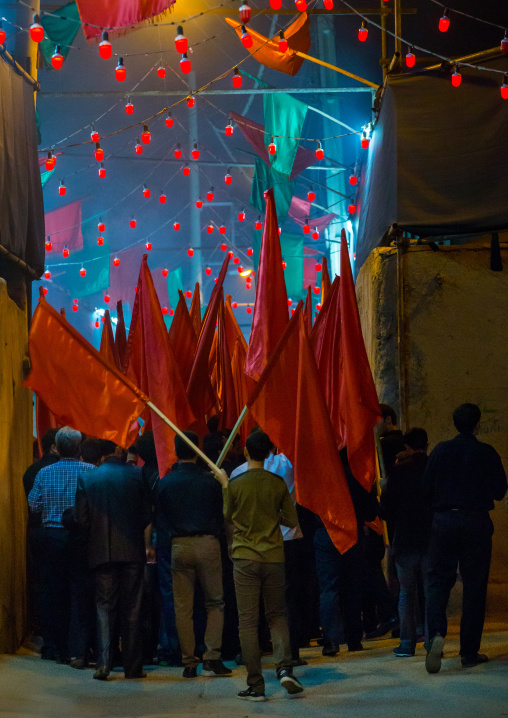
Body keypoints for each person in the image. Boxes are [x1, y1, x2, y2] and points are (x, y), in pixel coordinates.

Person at [217, 430, 304, 701]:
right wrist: (270, 512)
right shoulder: (277, 483)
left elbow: (227, 515)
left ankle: (256, 684)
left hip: (244, 557)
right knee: (277, 615)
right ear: (269, 453)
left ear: (245, 451)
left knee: (248, 622)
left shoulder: (236, 482)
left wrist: (224, 484)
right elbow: (291, 520)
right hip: (274, 556)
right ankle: (285, 668)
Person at [422, 404, 507, 673]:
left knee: (437, 582)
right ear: (478, 424)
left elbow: (426, 489)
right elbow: (499, 492)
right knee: (475, 586)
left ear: (454, 423)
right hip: (476, 521)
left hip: (444, 521)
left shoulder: (441, 450)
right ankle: (469, 652)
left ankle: (436, 634)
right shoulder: (486, 452)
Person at [155, 431, 230, 679]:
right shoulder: (210, 481)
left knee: (182, 607)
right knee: (215, 603)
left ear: (176, 451)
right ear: (197, 450)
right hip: (208, 543)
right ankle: (212, 656)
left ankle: (188, 661)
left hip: (178, 546)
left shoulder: (165, 482)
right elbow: (223, 514)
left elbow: (159, 519)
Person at [75, 440, 151, 680]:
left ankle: (103, 664)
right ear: (119, 451)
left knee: (104, 609)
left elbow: (81, 520)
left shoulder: (88, 478)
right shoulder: (138, 475)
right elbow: (147, 514)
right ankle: (133, 666)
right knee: (133, 609)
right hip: (132, 551)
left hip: (100, 552)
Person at [28, 427, 95, 663]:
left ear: (57, 447)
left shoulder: (44, 473)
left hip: (51, 537)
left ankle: (54, 646)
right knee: (79, 591)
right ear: (79, 448)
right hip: (79, 538)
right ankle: (77, 647)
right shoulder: (91, 471)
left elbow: (34, 505)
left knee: (52, 591)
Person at [314, 448, 379, 657]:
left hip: (325, 533)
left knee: (329, 588)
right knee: (353, 586)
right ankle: (353, 639)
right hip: (353, 533)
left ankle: (331, 641)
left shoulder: (320, 477)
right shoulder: (358, 478)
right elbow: (370, 511)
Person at [380, 428, 432, 657]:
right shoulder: (434, 468)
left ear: (407, 447)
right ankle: (432, 639)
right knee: (432, 593)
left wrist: (383, 491)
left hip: (405, 539)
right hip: (432, 539)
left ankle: (407, 644)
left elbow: (387, 512)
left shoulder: (399, 472)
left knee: (406, 594)